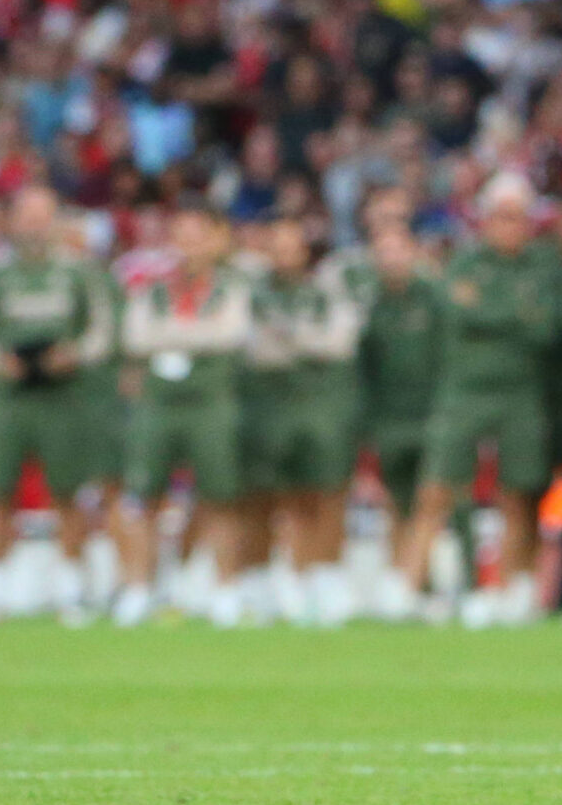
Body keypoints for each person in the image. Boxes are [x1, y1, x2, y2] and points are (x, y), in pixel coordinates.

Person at [404, 174, 562, 629]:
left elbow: (547, 328)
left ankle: (512, 590)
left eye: (516, 217)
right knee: (437, 487)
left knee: (519, 493)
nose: (507, 227)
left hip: (523, 392)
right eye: (499, 216)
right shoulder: (465, 263)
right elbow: (456, 308)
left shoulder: (543, 266)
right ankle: (411, 590)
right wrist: (513, 312)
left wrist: (488, 312)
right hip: (464, 389)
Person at [0, 186, 116, 622]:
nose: (34, 225)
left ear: (55, 222)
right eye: (26, 216)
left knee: (67, 493)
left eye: (42, 216)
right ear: (13, 222)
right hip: (11, 398)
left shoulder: (77, 274)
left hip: (62, 398)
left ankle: (71, 588)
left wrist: (74, 354)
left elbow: (101, 331)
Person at [112, 196, 254, 626]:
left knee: (220, 497)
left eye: (197, 237)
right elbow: (135, 337)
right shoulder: (152, 288)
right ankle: (138, 588)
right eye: (181, 237)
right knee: (143, 497)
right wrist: (195, 334)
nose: (188, 247)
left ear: (216, 239)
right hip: (159, 404)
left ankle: (225, 588)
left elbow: (232, 334)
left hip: (212, 402)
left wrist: (171, 335)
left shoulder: (234, 285)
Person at [241, 213, 366, 627]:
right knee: (271, 495)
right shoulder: (254, 292)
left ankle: (324, 575)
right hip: (269, 404)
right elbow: (253, 347)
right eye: (275, 246)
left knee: (326, 492)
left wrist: (292, 340)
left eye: (291, 246)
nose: (283, 255)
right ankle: (278, 578)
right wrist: (303, 344)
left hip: (320, 403)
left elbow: (341, 342)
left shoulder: (327, 291)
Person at [354, 221, 445, 621]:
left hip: (433, 415)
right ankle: (406, 584)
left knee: (432, 500)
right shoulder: (371, 303)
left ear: (413, 251)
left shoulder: (434, 298)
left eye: (397, 248)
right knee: (396, 503)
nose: (390, 258)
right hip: (389, 419)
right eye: (383, 250)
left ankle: (411, 583)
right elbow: (364, 368)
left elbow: (452, 357)